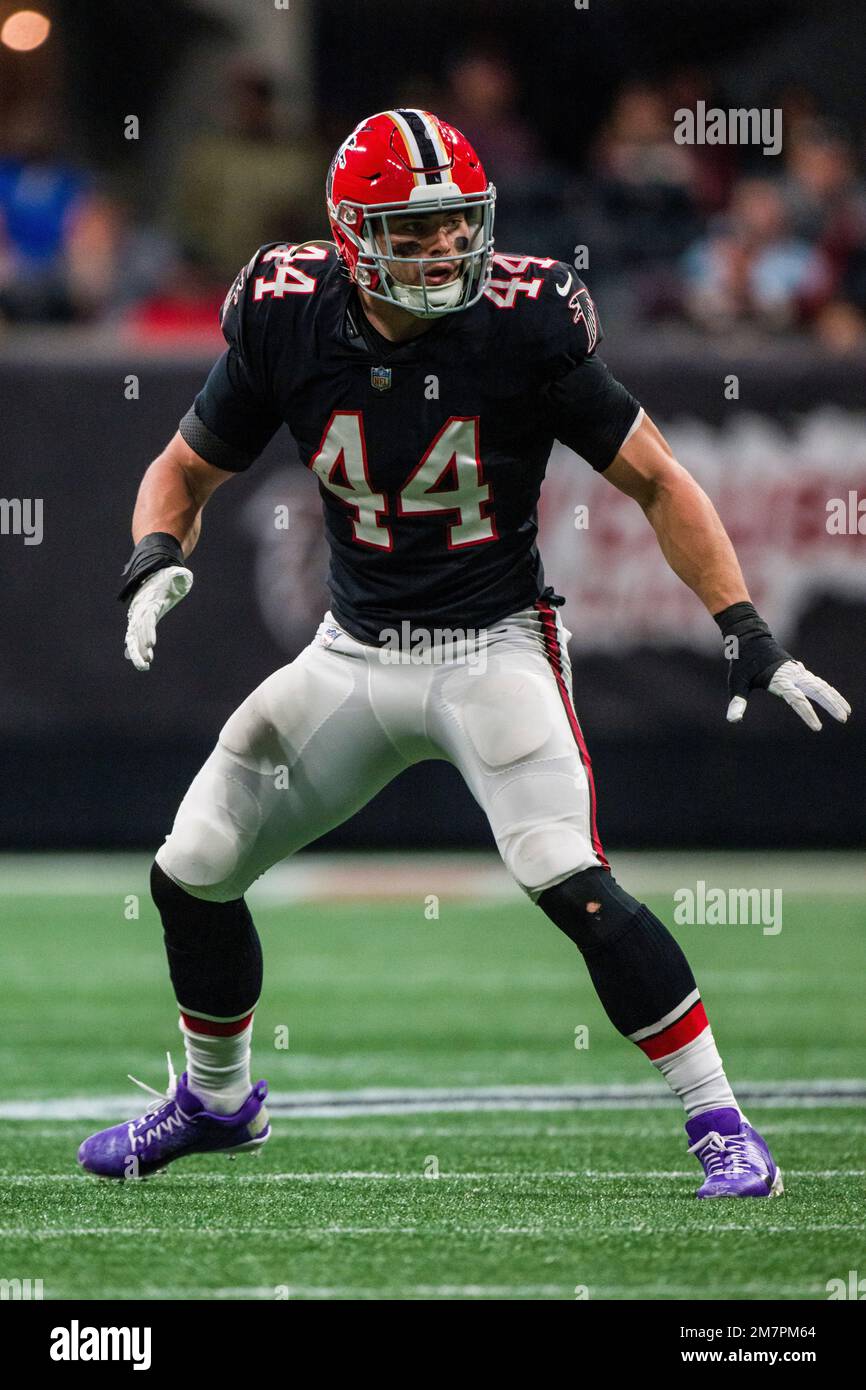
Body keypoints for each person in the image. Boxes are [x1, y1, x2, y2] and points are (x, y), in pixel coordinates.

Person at [78, 109, 850, 1196]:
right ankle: (216, 1102)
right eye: (416, 228)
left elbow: (658, 478)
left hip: (492, 644)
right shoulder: (287, 316)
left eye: (456, 224)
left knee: (564, 875)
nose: (445, 248)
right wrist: (153, 552)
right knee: (190, 868)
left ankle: (718, 1119)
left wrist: (745, 630)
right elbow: (183, 470)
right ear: (351, 237)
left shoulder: (519, 321)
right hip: (352, 652)